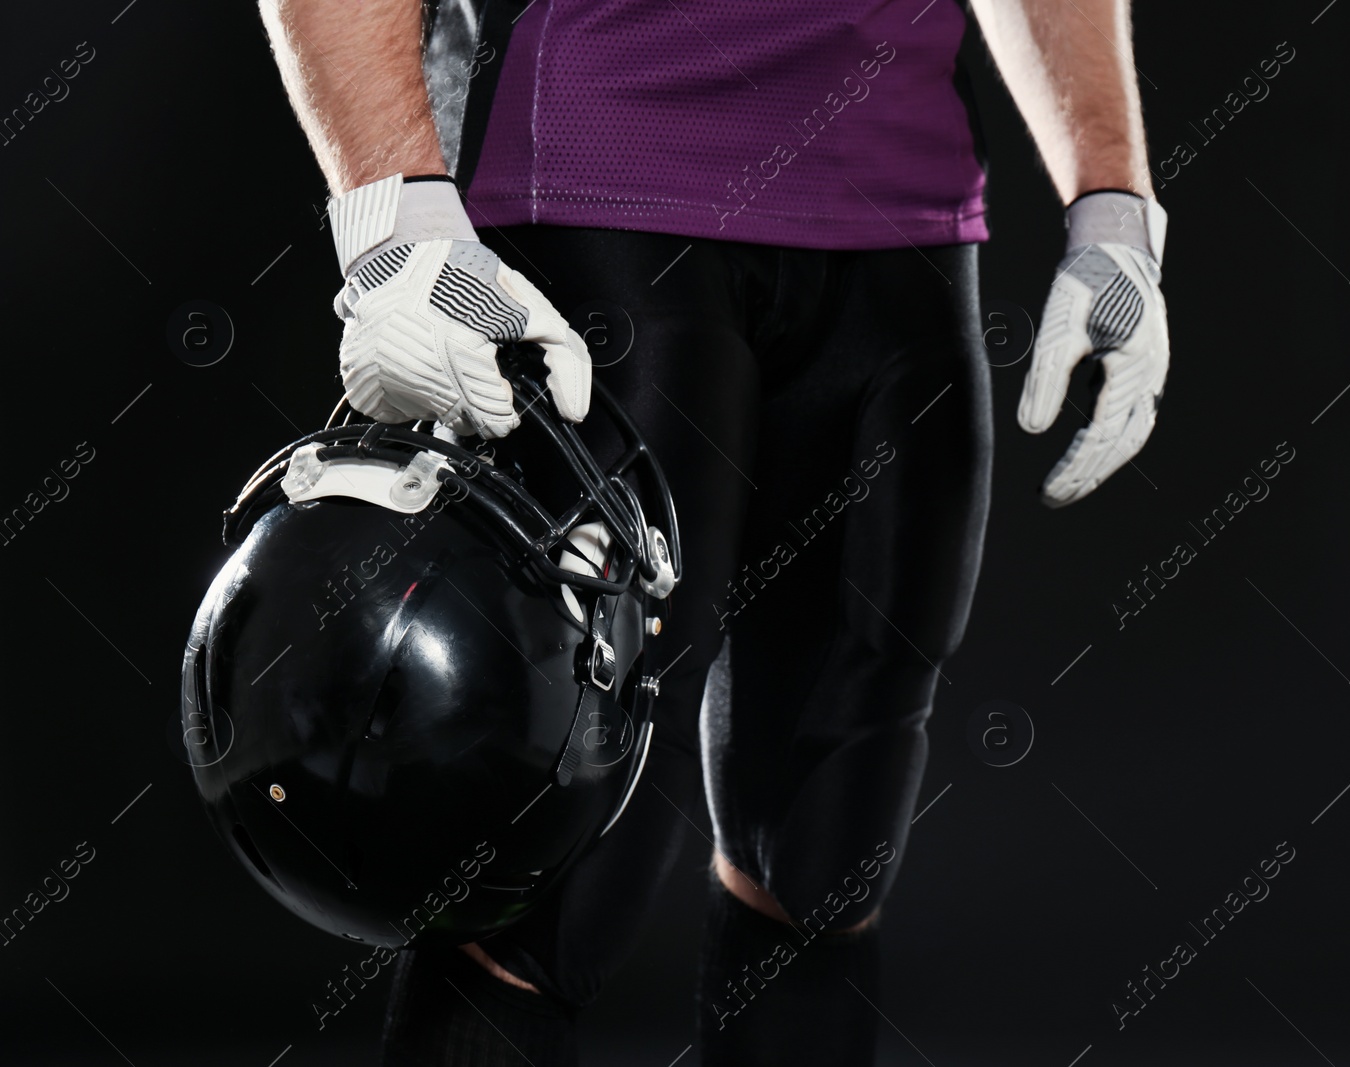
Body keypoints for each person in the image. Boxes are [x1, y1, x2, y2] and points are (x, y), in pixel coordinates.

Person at [257, 0, 1169, 1063]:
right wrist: (389, 223)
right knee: (551, 849)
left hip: (903, 217)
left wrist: (1113, 204)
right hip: (603, 186)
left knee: (826, 838)